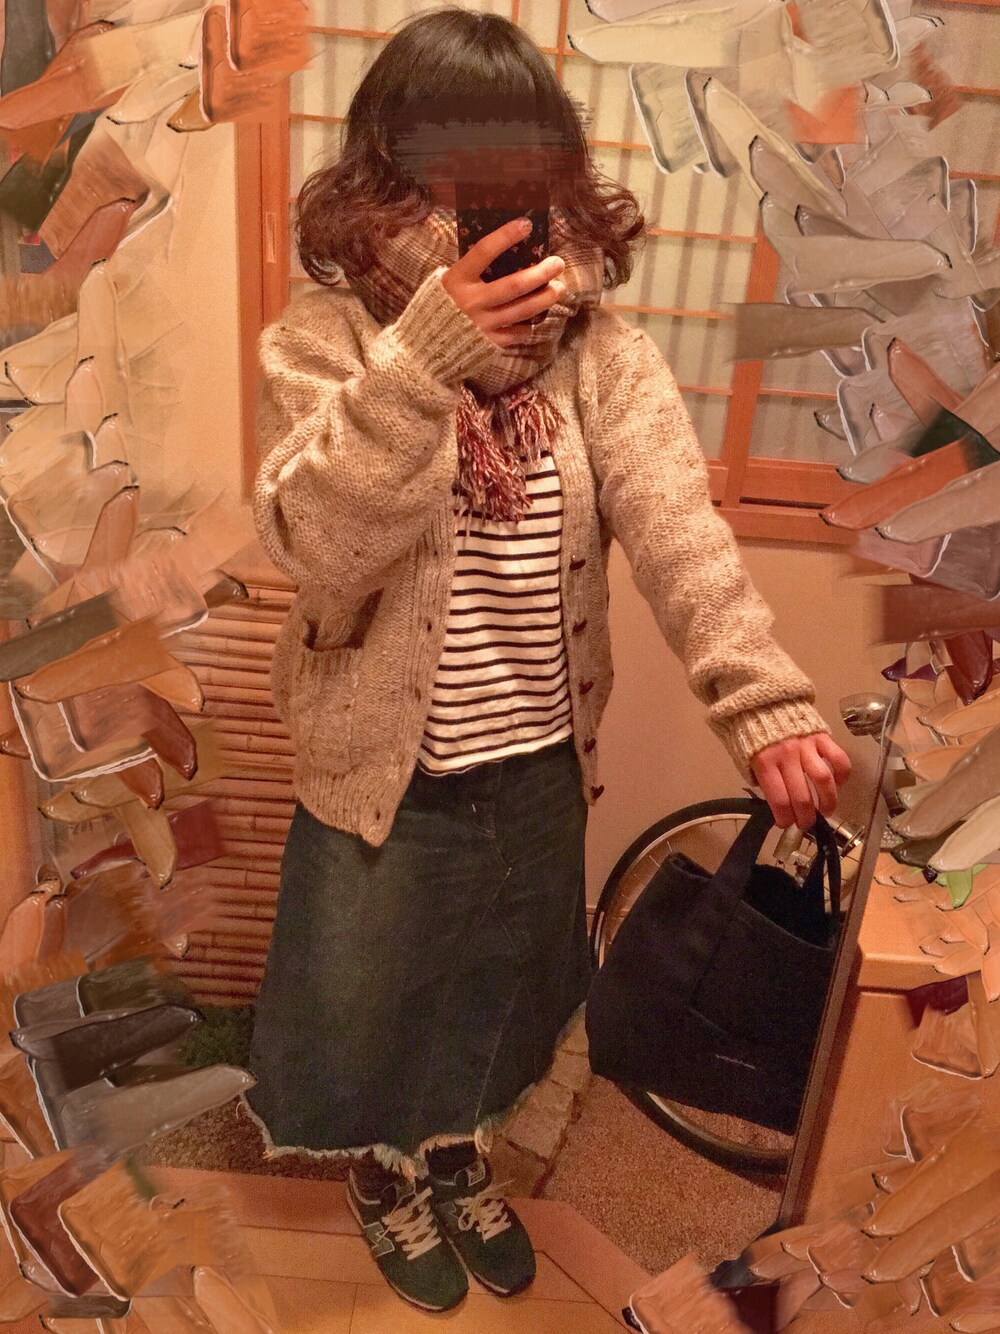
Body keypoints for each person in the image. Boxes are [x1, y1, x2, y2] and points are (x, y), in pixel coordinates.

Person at [239, 6, 853, 1315]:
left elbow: (683, 539)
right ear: (387, 171)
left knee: (503, 996)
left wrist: (765, 703)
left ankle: (457, 1153)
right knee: (368, 1004)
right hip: (383, 778)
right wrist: (423, 359)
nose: (477, 198)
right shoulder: (326, 343)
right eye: (446, 167)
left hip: (533, 765)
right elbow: (318, 547)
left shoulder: (599, 357)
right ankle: (384, 1174)